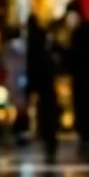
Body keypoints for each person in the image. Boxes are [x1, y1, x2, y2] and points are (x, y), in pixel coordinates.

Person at [63, 0, 89, 144]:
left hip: (82, 72)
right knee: (88, 100)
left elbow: (73, 54)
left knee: (83, 100)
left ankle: (87, 129)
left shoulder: (80, 32)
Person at [26, 11, 57, 157]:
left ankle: (46, 133)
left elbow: (32, 61)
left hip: (40, 77)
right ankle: (49, 134)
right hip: (46, 77)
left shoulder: (33, 39)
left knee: (44, 108)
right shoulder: (43, 37)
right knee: (48, 106)